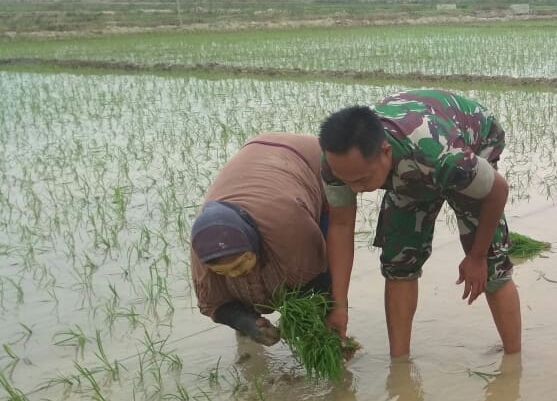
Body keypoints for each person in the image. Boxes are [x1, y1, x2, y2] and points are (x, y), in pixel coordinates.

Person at [318, 89, 521, 358]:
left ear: (385, 152)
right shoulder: (336, 163)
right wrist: (339, 305)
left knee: (492, 267)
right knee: (399, 261)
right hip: (412, 160)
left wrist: (478, 256)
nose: (355, 189)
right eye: (348, 182)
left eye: (363, 180)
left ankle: (514, 359)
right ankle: (399, 363)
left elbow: (498, 191)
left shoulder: (447, 160)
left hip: (472, 136)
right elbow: (341, 227)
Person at [190, 133, 341, 345]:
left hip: (310, 162)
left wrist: (302, 317)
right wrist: (246, 322)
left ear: (253, 244)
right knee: (241, 291)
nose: (235, 274)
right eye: (223, 272)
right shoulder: (202, 250)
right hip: (257, 165)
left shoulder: (290, 227)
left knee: (327, 261)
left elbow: (319, 276)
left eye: (240, 263)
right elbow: (215, 303)